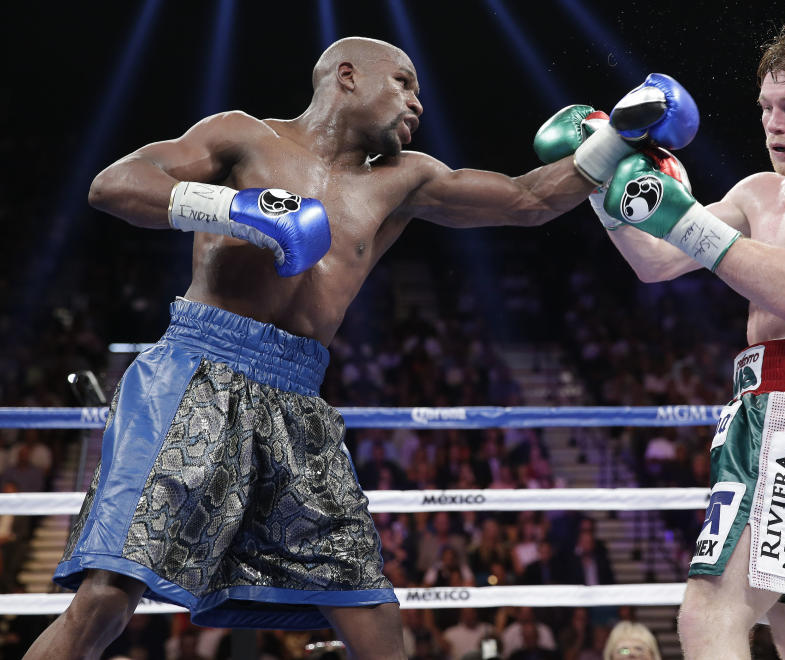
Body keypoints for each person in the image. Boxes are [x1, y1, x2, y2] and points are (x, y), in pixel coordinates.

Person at [25, 37, 698, 660]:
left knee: (367, 606)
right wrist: (237, 209)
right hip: (198, 368)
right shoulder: (243, 136)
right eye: (403, 83)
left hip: (296, 397)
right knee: (108, 599)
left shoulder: (403, 179)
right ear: (347, 76)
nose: (417, 102)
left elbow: (527, 199)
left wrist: (616, 140)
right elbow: (114, 184)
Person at [586, 18, 785, 660]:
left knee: (711, 612)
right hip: (760, 406)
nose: (773, 122)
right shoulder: (758, 192)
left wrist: (675, 211)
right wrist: (602, 183)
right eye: (766, 107)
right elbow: (656, 260)